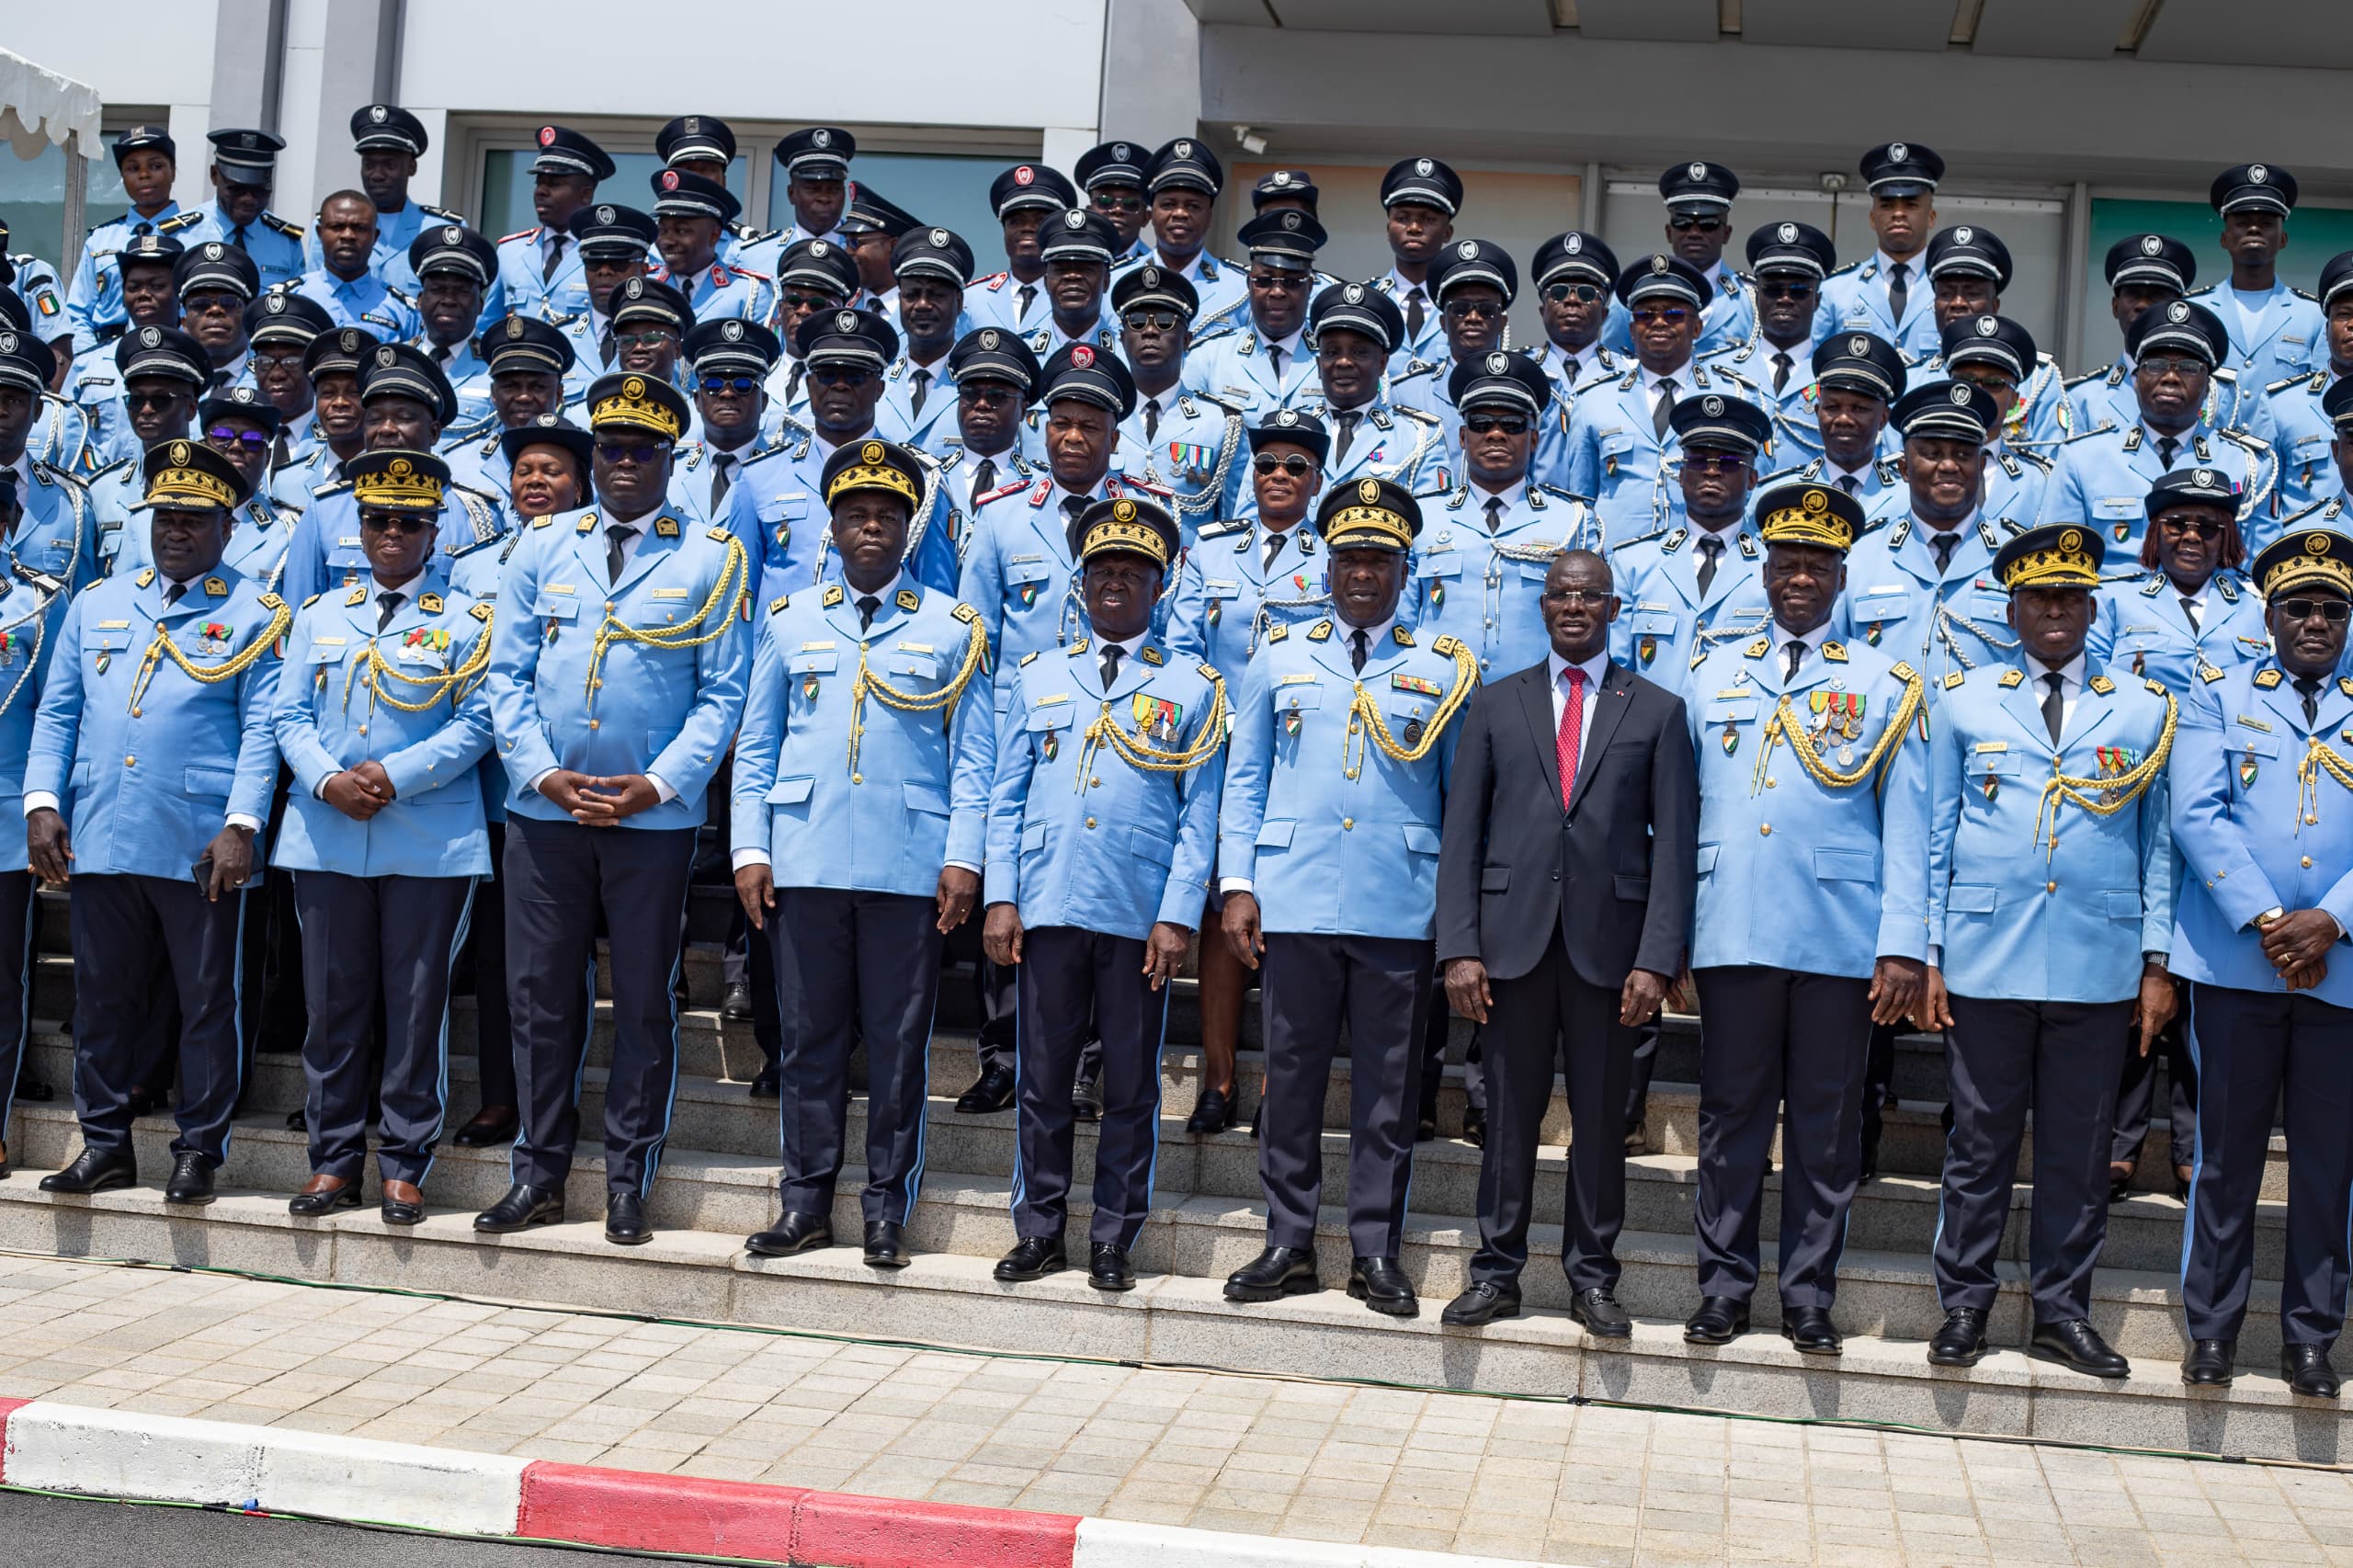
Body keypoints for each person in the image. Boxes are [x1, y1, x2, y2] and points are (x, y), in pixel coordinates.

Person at [475, 370, 751, 1247]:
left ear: (673, 458)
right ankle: (538, 1175)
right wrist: (541, 774)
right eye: (611, 448)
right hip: (545, 814)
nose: (624, 462)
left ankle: (629, 1179)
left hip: (651, 821)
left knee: (641, 1001)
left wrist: (658, 785)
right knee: (539, 1000)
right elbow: (506, 675)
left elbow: (723, 694)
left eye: (642, 449)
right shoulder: (542, 545)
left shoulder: (710, 555)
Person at [1918, 521, 2177, 1379]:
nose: (2056, 611)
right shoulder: (1964, 699)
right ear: (2013, 610)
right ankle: (1965, 1304)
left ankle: (2063, 1312)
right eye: (2039, 598)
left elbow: (2158, 847)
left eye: (2070, 597)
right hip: (1985, 957)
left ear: (2093, 608)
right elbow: (1937, 833)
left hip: (2098, 964)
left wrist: (2156, 963)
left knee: (2079, 1150)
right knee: (1979, 1145)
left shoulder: (2142, 707)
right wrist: (1928, 953)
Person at [1679, 480, 1928, 1353]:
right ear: (1764, 570)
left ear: (1841, 576)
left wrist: (1903, 945)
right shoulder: (1710, 672)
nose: (1800, 579)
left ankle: (1808, 1294)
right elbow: (1678, 811)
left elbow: (1910, 826)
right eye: (1787, 563)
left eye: (1818, 566)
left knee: (1826, 1128)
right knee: (1730, 1118)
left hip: (1838, 935)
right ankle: (1723, 1288)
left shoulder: (1885, 683)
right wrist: (1672, 936)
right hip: (1733, 928)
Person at [1218, 478, 1475, 1318]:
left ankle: (1375, 1249)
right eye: (1350, 559)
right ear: (1327, 568)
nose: (1363, 573)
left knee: (1388, 1092)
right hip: (1293, 898)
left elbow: (1459, 802)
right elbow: (1246, 778)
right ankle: (1288, 1241)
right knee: (1290, 1079)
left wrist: (1455, 915)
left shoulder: (1445, 666)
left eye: (1379, 560)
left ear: (1405, 570)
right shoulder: (1279, 654)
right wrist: (1238, 883)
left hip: (1399, 903)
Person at [734, 438, 989, 1268]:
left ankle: (886, 1209)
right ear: (834, 529)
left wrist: (964, 858)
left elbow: (973, 757)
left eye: (886, 515)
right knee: (808, 1042)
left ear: (908, 529)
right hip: (804, 860)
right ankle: (804, 1202)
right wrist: (749, 848)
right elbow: (757, 746)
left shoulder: (954, 627)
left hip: (908, 866)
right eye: (855, 514)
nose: (871, 527)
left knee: (896, 1046)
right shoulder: (790, 619)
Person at [1436, 545, 1696, 1330]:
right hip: (1509, 948)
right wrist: (1459, 946)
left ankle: (1593, 1279)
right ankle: (1496, 1273)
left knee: (1602, 1122)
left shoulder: (1656, 710)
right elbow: (1463, 833)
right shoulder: (1495, 704)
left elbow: (1674, 847)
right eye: (1560, 595)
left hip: (1610, 953)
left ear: (1614, 609)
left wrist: (1657, 958)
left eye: (1589, 596)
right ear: (1543, 606)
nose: (1574, 607)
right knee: (1507, 1121)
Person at [28, 438, 289, 1203]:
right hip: (104, 830)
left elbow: (263, 729)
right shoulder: (99, 602)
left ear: (227, 527)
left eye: (194, 518)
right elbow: (58, 714)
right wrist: (42, 803)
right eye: (165, 516)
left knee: (207, 1002)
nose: (177, 529)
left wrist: (243, 824)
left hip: (200, 840)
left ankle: (199, 1148)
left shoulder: (258, 612)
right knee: (102, 998)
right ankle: (104, 1143)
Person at [982, 495, 1222, 1292]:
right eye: (1102, 571)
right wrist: (1002, 897)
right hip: (1048, 902)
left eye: (1132, 572)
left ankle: (1115, 1235)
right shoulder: (1040, 675)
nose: (1115, 583)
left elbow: (1200, 814)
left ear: (1159, 586)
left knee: (1130, 1083)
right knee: (1043, 1079)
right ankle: (1039, 1229)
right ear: (1081, 584)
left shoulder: (1193, 685)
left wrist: (1177, 915)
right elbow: (1006, 797)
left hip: (1136, 910)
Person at [272, 449, 494, 1224]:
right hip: (327, 832)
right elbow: (288, 714)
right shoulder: (319, 614)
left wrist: (394, 776)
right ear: (359, 528)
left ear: (435, 532)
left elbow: (479, 722)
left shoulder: (469, 620)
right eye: (377, 520)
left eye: (408, 521)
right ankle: (333, 1161)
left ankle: (404, 1160)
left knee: (416, 1006)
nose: (391, 533)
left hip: (428, 839)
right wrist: (326, 779)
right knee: (332, 1007)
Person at [2170, 526, 2353, 1398]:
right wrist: (2276, 923)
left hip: (2342, 971)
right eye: (2300, 607)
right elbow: (2196, 815)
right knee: (2226, 1157)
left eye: (2333, 610)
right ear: (2269, 616)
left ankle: (2311, 1338)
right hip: (2240, 964)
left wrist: (2334, 921)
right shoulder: (2218, 695)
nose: (2316, 622)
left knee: (2328, 1166)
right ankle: (2212, 1330)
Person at [2091, 469, 2261, 1205]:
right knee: (2136, 961)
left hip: (2225, 804)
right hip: (2133, 796)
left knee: (2201, 969)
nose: (2193, 536)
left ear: (2228, 536)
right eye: (2178, 524)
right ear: (2154, 532)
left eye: (2208, 526)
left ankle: (2192, 1146)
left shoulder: (2257, 606)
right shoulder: (2117, 600)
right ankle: (2118, 1142)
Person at [1410, 351, 1599, 679]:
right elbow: (1403, 622)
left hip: (1537, 699)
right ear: (1462, 437)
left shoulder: (1572, 522)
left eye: (1512, 425)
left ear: (1534, 439)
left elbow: (1592, 627)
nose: (1496, 434)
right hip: (1439, 696)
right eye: (1481, 424)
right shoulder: (1422, 518)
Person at [2044, 301, 2277, 555]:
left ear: (2209, 386)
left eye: (2188, 368)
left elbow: (2259, 565)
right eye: (2155, 366)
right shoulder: (2082, 460)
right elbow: (2058, 560)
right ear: (2135, 381)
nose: (2171, 377)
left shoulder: (2246, 465)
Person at [279, 344, 502, 607]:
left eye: (403, 418)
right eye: (374, 419)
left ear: (433, 432)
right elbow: (299, 610)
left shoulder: (475, 516)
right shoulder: (325, 511)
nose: (385, 429)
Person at [1563, 254, 1755, 546]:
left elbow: (1749, 491)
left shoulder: (1732, 396)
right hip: (1613, 560)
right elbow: (1580, 501)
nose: (1659, 323)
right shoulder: (1593, 400)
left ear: (1696, 328)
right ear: (1631, 330)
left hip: (1700, 558)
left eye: (1674, 315)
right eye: (1645, 316)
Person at [1836, 381, 2020, 684]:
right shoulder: (1859, 557)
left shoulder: (2016, 555)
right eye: (1932, 454)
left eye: (1963, 455)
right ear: (1904, 469)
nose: (1948, 466)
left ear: (1981, 465)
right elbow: (1834, 660)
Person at [1607, 395, 1774, 692]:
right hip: (1652, 722)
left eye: (1729, 462)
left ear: (1752, 479)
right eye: (1698, 461)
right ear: (1682, 475)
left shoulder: (1772, 567)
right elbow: (1615, 673)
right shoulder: (1633, 564)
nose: (1711, 471)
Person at [1392, 240, 1573, 485]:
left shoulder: (1539, 389)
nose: (1473, 318)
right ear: (1443, 322)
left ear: (1502, 322)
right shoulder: (1405, 393)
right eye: (1460, 309)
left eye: (1486, 310)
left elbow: (1549, 485)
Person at [1108, 266, 1245, 534]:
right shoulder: (1105, 416)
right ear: (1122, 339)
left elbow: (1233, 520)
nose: (1150, 331)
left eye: (1165, 321)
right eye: (1137, 321)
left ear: (1187, 340)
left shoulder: (1221, 423)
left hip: (1188, 559)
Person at [1915, 230, 2074, 453]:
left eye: (1972, 294)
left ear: (1995, 305)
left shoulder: (2038, 379)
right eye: (1946, 293)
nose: (1957, 303)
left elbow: (2052, 459)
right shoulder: (1912, 379)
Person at [303, 105, 470, 307]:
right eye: (369, 165)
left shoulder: (442, 230)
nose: (377, 175)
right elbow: (316, 294)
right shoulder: (331, 227)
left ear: (411, 167)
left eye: (389, 165)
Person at [64, 125, 209, 356]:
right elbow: (77, 313)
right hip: (108, 354)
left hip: (179, 352)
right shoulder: (100, 239)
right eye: (133, 168)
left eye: (155, 166)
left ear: (173, 171)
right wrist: (92, 358)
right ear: (122, 177)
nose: (144, 175)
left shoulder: (200, 236)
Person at [2186, 164, 2326, 395]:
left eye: (2266, 223)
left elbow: (2318, 396)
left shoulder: (2314, 316)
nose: (2253, 229)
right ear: (2224, 239)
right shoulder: (2194, 311)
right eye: (2242, 223)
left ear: (2283, 239)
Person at [1180, 211, 1327, 424]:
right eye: (1265, 281)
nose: (1277, 292)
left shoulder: (1331, 359)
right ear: (1249, 284)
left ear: (1310, 287)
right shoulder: (1208, 357)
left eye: (1291, 282)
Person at [86, 325, 210, 576]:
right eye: (136, 400)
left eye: (160, 400)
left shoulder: (214, 484)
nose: (146, 410)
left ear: (191, 408)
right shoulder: (103, 490)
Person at [1712, 222, 1837, 458]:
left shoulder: (1835, 373)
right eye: (1773, 290)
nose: (1785, 299)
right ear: (1757, 296)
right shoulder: (1717, 373)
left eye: (1799, 291)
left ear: (1817, 301)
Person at [1815, 142, 1944, 364]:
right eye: (1887, 205)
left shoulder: (1950, 294)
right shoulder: (1834, 291)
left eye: (1911, 205)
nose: (1898, 214)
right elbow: (1811, 365)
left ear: (1931, 217)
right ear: (1872, 218)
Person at [62, 233, 181, 464]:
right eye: (134, 287)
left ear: (179, 291)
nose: (144, 295)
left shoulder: (197, 363)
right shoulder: (88, 365)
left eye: (157, 286)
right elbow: (66, 441)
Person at [1755, 330, 1905, 512]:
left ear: (1883, 418)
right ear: (1817, 412)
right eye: (1833, 407)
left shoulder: (1909, 498)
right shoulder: (1777, 496)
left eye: (1859, 409)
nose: (1844, 419)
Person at [2068, 233, 2200, 434]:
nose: (2143, 305)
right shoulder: (2082, 398)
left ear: (2178, 308)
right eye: (2133, 295)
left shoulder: (2211, 393)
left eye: (2156, 295)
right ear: (2115, 306)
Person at [1619, 161, 1753, 358]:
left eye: (1708, 224)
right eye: (1683, 223)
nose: (1695, 233)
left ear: (1726, 233)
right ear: (1668, 232)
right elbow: (1614, 365)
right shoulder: (1632, 295)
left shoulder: (1751, 300)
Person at [437, 317, 577, 499]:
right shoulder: (456, 463)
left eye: (537, 387)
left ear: (559, 394)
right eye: (510, 387)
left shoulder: (583, 463)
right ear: (493, 394)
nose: (523, 397)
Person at [0, 330, 96, 594]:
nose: (1, 410)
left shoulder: (71, 503)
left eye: (13, 400)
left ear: (37, 411)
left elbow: (83, 597)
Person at [1117, 140, 1247, 333]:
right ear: (1151, 215)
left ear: (1209, 217)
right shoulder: (1116, 282)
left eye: (1193, 206)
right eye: (1168, 205)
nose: (1180, 214)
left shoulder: (1241, 290)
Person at [494, 127, 616, 324]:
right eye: (539, 183)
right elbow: (489, 325)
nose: (540, 191)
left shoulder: (608, 256)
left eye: (554, 184)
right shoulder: (510, 252)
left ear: (586, 195)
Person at [2263, 252, 2353, 516]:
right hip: (2307, 541)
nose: (2352, 325)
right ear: (2326, 329)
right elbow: (2263, 505)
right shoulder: (2280, 405)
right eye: (2344, 315)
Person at [876, 226, 974, 457]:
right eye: (911, 295)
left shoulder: (977, 387)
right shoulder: (874, 381)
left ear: (959, 302)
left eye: (936, 295)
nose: (922, 305)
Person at [405, 224, 505, 429]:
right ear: (420, 300)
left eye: (462, 292)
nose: (449, 300)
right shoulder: (399, 361)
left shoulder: (498, 367)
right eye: (438, 290)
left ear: (480, 306)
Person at [269, 326, 376, 512]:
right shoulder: (286, 481)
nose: (340, 403)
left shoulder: (396, 475)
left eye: (354, 392)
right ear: (316, 400)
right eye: (328, 393)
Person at [1371, 157, 1463, 374]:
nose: (1414, 228)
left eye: (1428, 219)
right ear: (1388, 230)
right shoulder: (1368, 301)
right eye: (1402, 218)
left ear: (1448, 233)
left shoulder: (1467, 308)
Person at [647, 171, 773, 326]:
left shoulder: (749, 292)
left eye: (681, 231)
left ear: (714, 235)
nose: (667, 241)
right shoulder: (646, 287)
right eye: (662, 231)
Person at [290, 191, 421, 340]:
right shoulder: (292, 298)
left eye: (360, 228)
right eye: (337, 226)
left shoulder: (402, 311)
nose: (348, 235)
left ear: (375, 236)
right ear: (320, 233)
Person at [965, 164, 1077, 337]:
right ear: (1004, 231)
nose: (1027, 228)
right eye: (1016, 222)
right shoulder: (971, 299)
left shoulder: (1076, 295)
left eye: (1040, 221)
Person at [552, 204, 657, 384]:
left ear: (643, 270)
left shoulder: (662, 342)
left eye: (618, 263)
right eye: (594, 262)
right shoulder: (561, 339)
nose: (604, 271)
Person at [201, 130, 305, 296]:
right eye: (237, 189)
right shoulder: (180, 235)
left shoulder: (287, 241)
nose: (248, 199)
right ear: (214, 175)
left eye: (259, 190)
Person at [1528, 232, 1628, 401]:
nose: (1572, 300)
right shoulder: (1519, 371)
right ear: (1542, 311)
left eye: (1587, 293)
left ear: (1604, 314)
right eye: (1559, 292)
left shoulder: (1629, 373)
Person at [245, 291, 334, 469]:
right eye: (266, 362)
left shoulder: (337, 440)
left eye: (291, 362)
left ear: (313, 369)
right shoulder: (238, 438)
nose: (277, 374)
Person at [174, 241, 263, 397]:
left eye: (229, 302)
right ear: (185, 324)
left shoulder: (269, 385)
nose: (215, 310)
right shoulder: (170, 385)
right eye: (200, 304)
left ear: (248, 319)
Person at [1076, 141, 1153, 262]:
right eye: (1105, 201)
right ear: (1089, 213)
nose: (1118, 210)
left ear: (1146, 218)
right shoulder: (1072, 264)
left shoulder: (1158, 268)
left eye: (1130, 203)